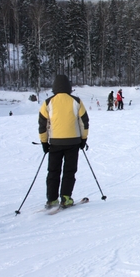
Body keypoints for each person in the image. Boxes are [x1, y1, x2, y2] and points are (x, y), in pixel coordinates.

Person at [38, 74, 89, 208]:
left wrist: (44, 142)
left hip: (55, 142)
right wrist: (83, 139)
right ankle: (66, 197)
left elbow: (43, 124)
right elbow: (84, 122)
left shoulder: (48, 102)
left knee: (53, 171)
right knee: (69, 171)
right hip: (73, 142)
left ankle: (52, 199)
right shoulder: (76, 101)